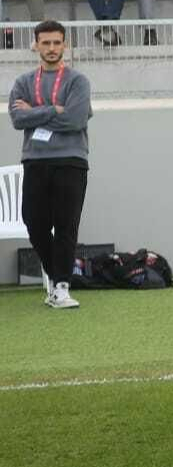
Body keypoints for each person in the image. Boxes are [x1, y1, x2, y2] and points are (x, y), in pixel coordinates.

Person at [9, 20, 91, 310]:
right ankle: (57, 276)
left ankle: (62, 287)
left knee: (66, 225)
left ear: (65, 45)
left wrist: (37, 112)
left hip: (71, 159)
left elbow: (75, 120)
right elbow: (18, 119)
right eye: (46, 43)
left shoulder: (78, 81)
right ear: (36, 45)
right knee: (34, 222)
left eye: (57, 42)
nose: (52, 48)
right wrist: (54, 110)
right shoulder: (23, 82)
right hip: (35, 159)